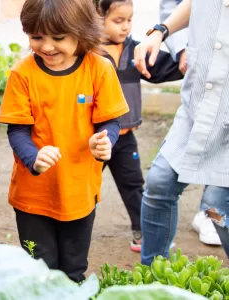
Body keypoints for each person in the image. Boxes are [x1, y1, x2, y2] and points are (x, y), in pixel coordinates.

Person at [0, 0, 129, 282]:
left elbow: (111, 121)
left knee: (73, 270)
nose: (46, 46)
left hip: (79, 191)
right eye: (36, 37)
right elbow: (17, 131)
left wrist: (106, 141)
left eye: (58, 37)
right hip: (33, 194)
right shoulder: (23, 73)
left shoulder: (99, 69)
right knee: (38, 273)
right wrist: (33, 157)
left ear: (81, 31)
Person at [134, 0, 229, 265]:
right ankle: (153, 275)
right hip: (200, 101)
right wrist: (160, 31)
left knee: (216, 207)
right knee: (159, 182)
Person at [97, 0, 184, 253]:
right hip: (95, 139)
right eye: (118, 21)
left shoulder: (136, 52)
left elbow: (165, 66)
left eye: (129, 20)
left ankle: (142, 232)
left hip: (124, 138)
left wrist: (186, 60)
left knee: (135, 186)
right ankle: (70, 227)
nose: (126, 27)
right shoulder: (86, 54)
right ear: (97, 18)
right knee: (83, 186)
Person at [159, 0, 222, 247]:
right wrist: (180, 45)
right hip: (201, 68)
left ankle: (211, 209)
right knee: (161, 180)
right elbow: (175, 5)